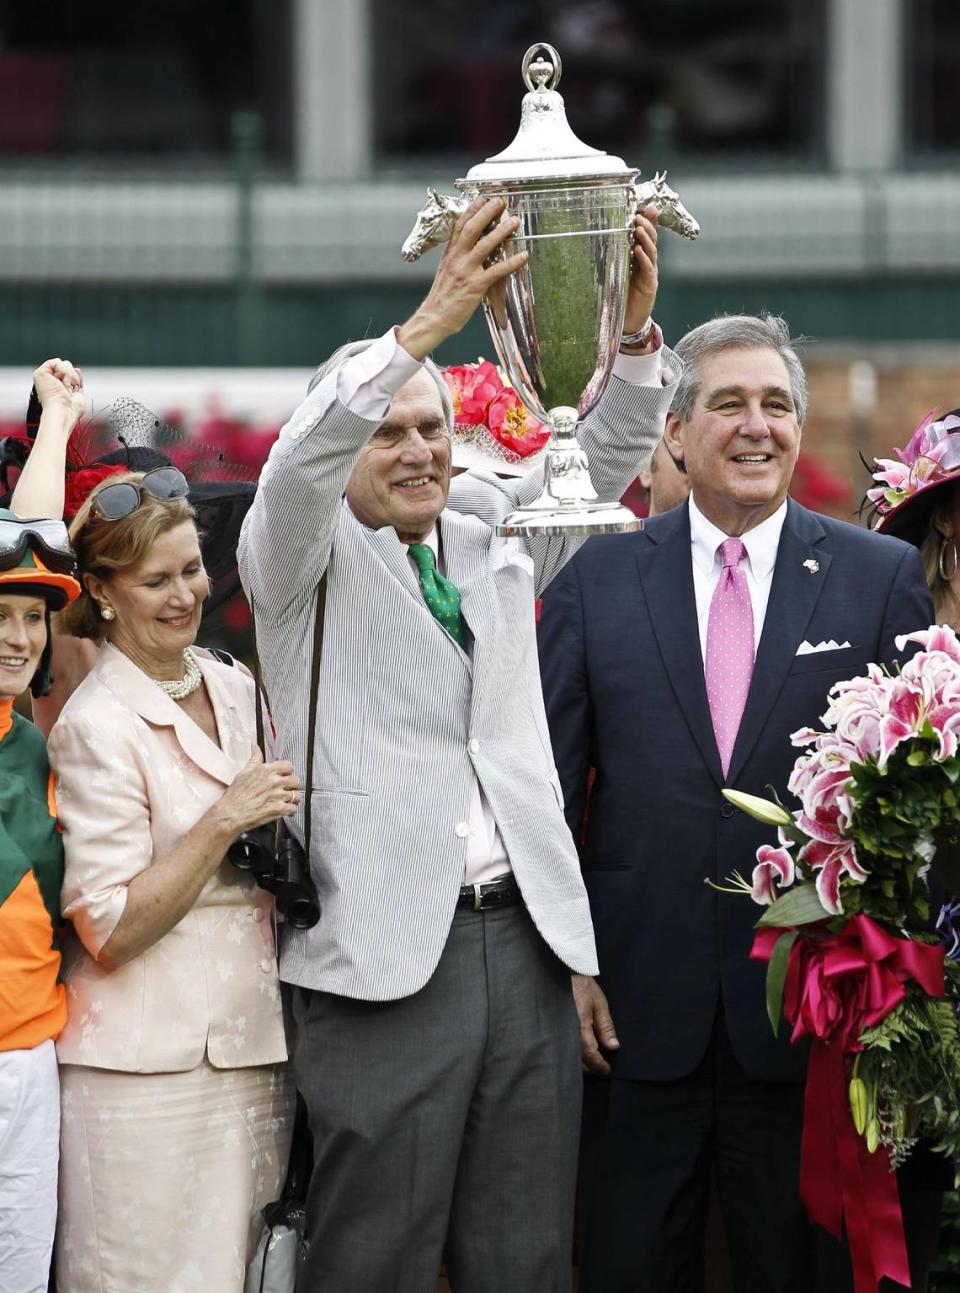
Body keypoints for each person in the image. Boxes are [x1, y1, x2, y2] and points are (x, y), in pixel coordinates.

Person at [238, 195, 676, 1292]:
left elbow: (603, 458)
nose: (420, 448)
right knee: (374, 1257)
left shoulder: (490, 541)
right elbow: (299, 464)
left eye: (433, 426)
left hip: (521, 948)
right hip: (381, 963)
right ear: (349, 446)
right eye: (390, 431)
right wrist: (422, 334)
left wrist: (624, 341)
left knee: (523, 1256)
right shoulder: (295, 556)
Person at [537, 313, 934, 1293]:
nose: (757, 426)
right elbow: (544, 790)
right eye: (728, 403)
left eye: (777, 405)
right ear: (674, 432)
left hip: (806, 1022)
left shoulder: (879, 577)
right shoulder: (599, 579)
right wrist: (571, 965)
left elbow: (915, 794)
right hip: (632, 1015)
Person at [18, 359, 302, 1291]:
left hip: (253, 1051)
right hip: (137, 1074)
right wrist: (226, 821)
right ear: (102, 592)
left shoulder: (229, 678)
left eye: (191, 571)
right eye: (155, 581)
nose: (184, 594)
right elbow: (107, 928)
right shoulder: (94, 722)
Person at [0, 429, 82, 1290]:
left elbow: (35, 531)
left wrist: (56, 420)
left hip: (30, 1062)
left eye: (31, 617)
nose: (20, 637)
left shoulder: (31, 747)